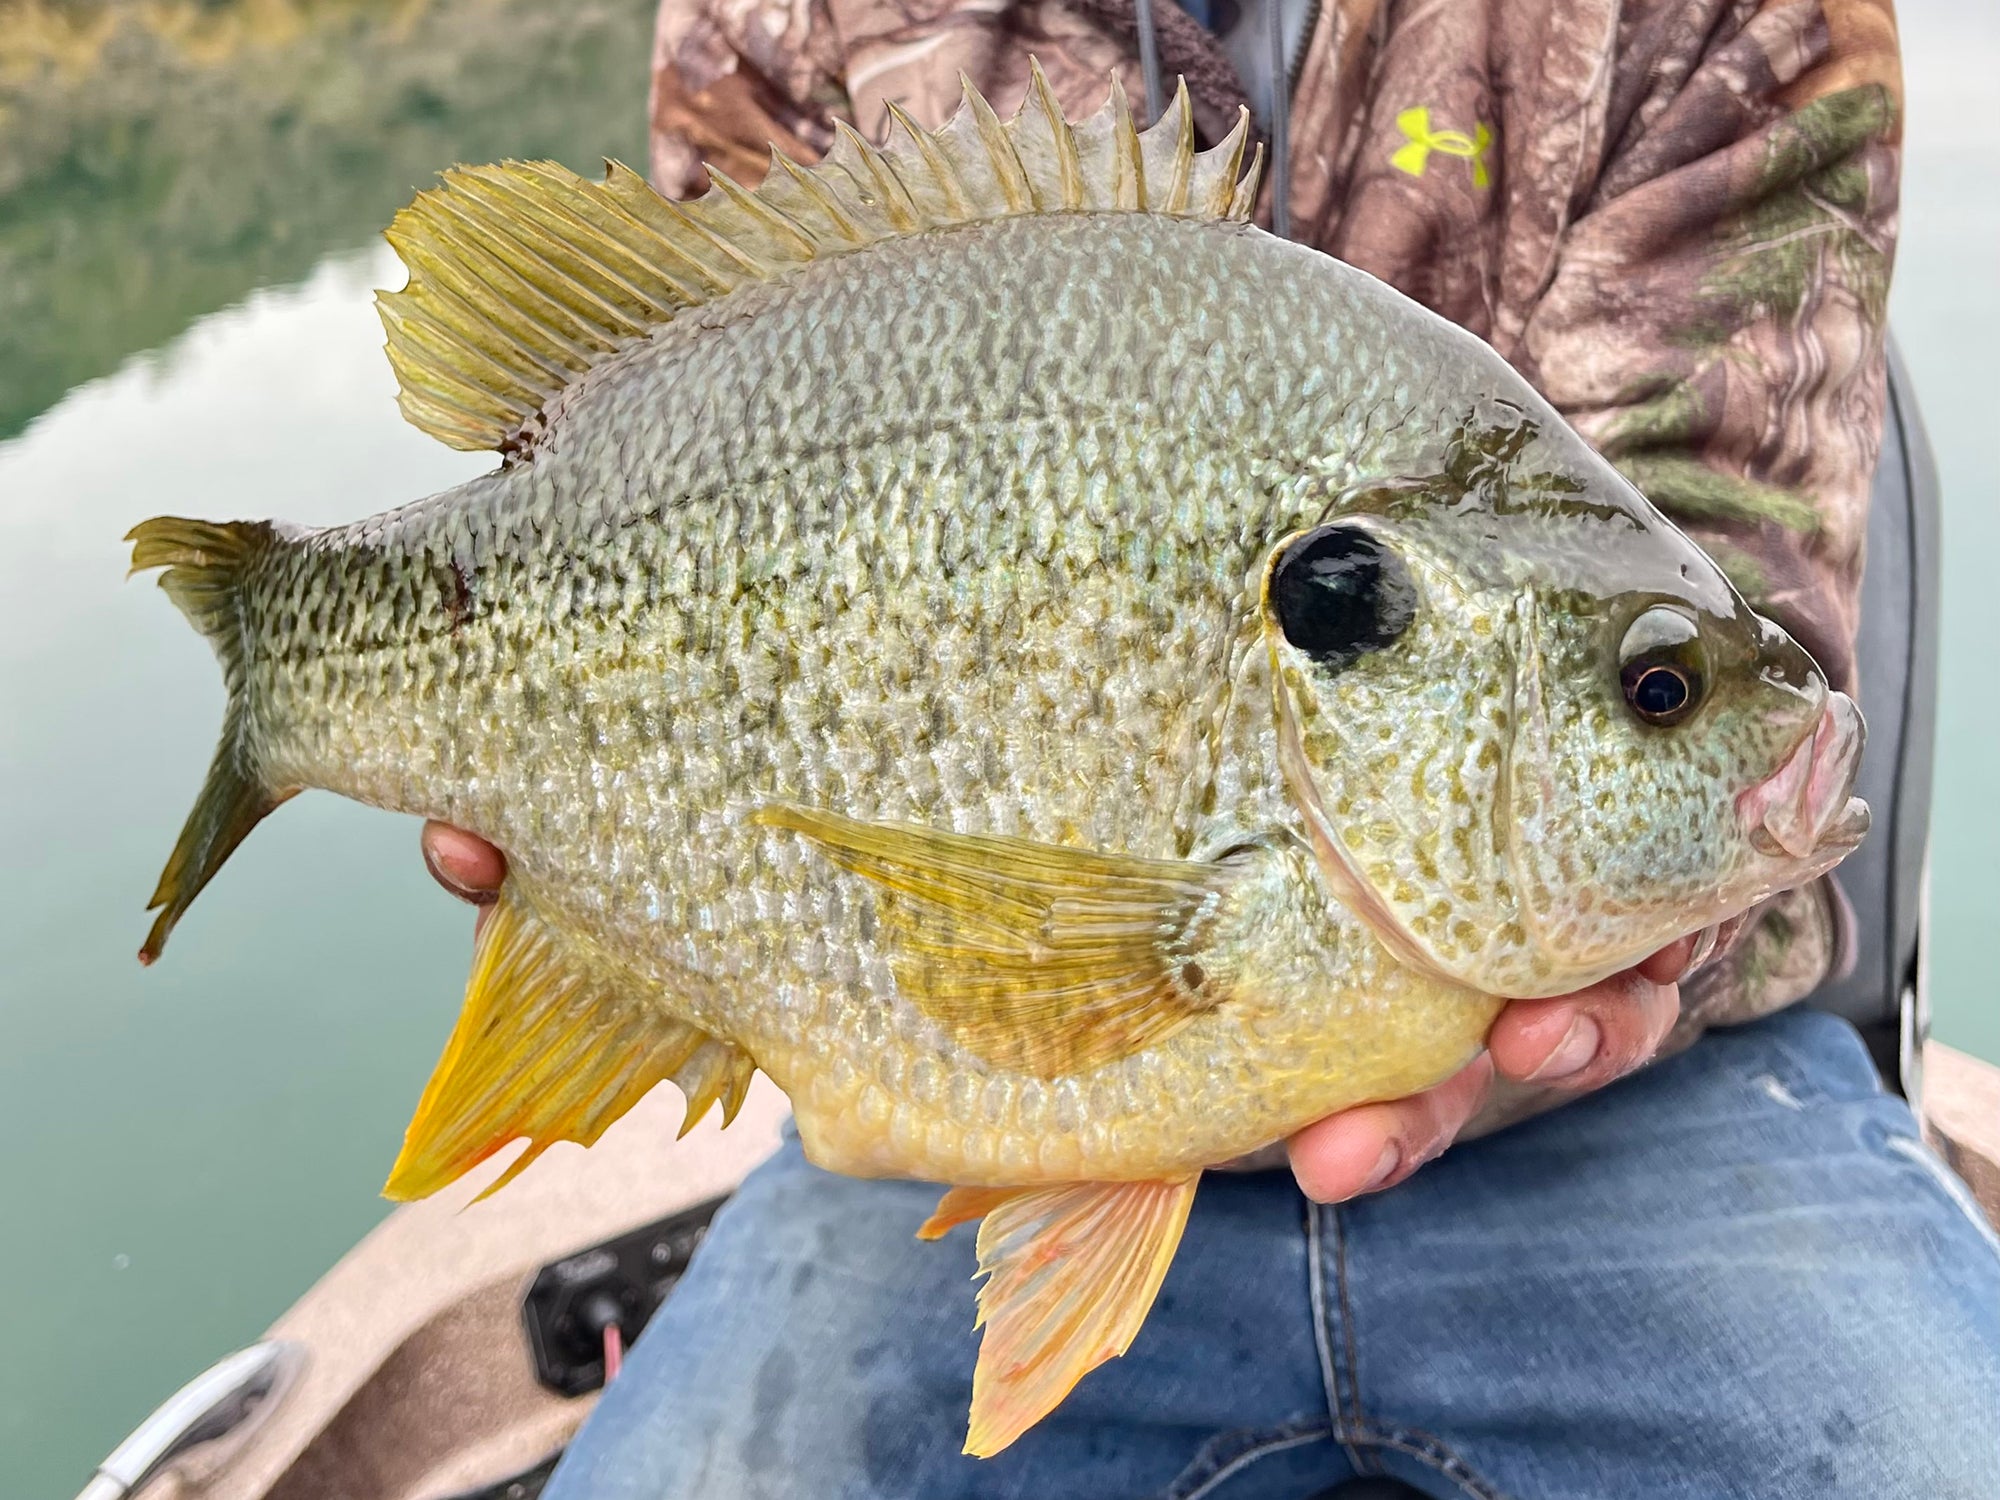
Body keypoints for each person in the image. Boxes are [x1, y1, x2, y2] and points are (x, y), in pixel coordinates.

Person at [419, 0, 2000, 1493]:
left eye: (1646, 695)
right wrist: (569, 802)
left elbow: (1719, 570)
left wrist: (1637, 916)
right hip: (946, 1142)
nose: (1738, 740)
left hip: (1648, 1110)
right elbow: (649, 448)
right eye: (1651, 697)